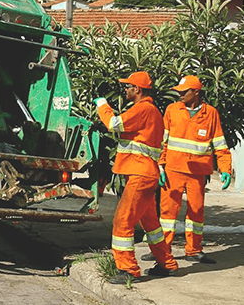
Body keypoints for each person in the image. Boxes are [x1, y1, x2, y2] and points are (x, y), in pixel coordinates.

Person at [94, 71, 179, 284]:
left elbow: (114, 124)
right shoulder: (150, 111)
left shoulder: (143, 109)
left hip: (141, 175)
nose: (125, 90)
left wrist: (102, 105)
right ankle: (166, 263)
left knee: (123, 220)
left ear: (137, 89)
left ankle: (129, 269)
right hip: (145, 174)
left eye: (128, 86)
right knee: (151, 225)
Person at [156, 75, 232, 264]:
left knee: (196, 212)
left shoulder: (211, 113)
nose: (180, 95)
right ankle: (162, 250)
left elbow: (220, 144)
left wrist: (225, 169)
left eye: (183, 92)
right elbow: (162, 141)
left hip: (197, 174)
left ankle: (194, 250)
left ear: (196, 92)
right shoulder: (172, 110)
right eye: (179, 92)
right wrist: (159, 165)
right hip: (173, 170)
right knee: (167, 213)